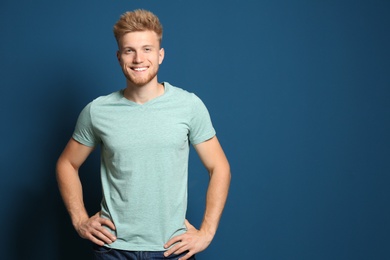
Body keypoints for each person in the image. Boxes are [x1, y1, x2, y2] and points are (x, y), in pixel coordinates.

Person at [56, 9, 231, 260]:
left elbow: (219, 167)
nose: (139, 58)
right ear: (119, 57)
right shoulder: (97, 111)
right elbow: (67, 163)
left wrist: (207, 232)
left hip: (171, 249)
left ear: (160, 55)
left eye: (147, 49)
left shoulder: (189, 106)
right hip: (112, 249)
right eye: (130, 50)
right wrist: (80, 220)